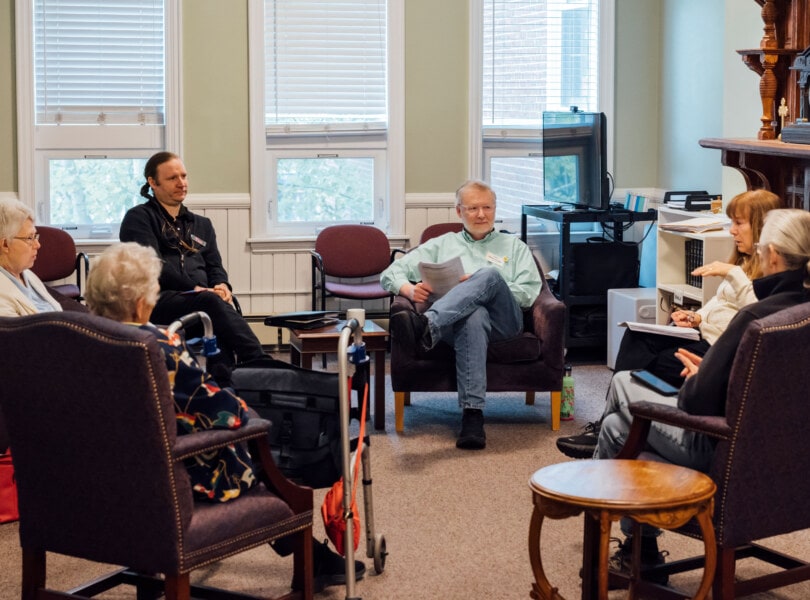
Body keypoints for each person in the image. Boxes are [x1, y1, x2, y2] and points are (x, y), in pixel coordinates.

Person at [84, 242, 365, 590]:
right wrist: (249, 413)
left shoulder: (75, 344)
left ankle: (312, 556)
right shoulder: (156, 345)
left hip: (91, 480)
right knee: (259, 455)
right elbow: (220, 412)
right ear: (143, 303)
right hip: (167, 482)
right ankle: (310, 558)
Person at [596, 208, 810, 581]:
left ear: (773, 254)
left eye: (760, 248)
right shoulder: (798, 313)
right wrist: (717, 374)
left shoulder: (755, 319)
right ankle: (633, 545)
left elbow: (693, 403)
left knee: (621, 406)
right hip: (792, 463)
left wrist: (699, 377)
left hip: (725, 454)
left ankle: (624, 539)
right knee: (619, 423)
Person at [557, 189, 782, 459]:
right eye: (731, 222)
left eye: (739, 223)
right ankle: (605, 423)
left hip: (716, 349)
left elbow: (755, 312)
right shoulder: (743, 262)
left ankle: (630, 417)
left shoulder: (764, 275)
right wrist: (695, 316)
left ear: (760, 225)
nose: (732, 230)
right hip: (700, 335)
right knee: (636, 336)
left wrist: (732, 274)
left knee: (657, 362)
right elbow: (720, 302)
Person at [382, 180, 543, 449]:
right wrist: (408, 289)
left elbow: (529, 293)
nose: (481, 214)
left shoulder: (514, 246)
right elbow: (389, 274)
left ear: (495, 209)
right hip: (455, 326)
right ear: (459, 212)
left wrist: (482, 286)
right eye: (473, 208)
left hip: (505, 323)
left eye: (487, 207)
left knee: (489, 276)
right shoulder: (441, 244)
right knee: (474, 315)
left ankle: (426, 326)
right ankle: (472, 417)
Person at [120, 151, 266, 366]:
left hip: (201, 300)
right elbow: (154, 266)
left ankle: (225, 385)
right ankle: (260, 362)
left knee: (217, 315)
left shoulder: (201, 224)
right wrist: (197, 289)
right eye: (172, 178)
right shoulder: (139, 218)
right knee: (210, 303)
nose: (181, 183)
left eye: (184, 176)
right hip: (155, 299)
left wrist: (221, 284)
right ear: (153, 182)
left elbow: (215, 265)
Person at [0, 198, 63, 316]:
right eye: (29, 238)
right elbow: (20, 334)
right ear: (5, 244)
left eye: (36, 236)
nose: (38, 245)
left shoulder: (25, 273)